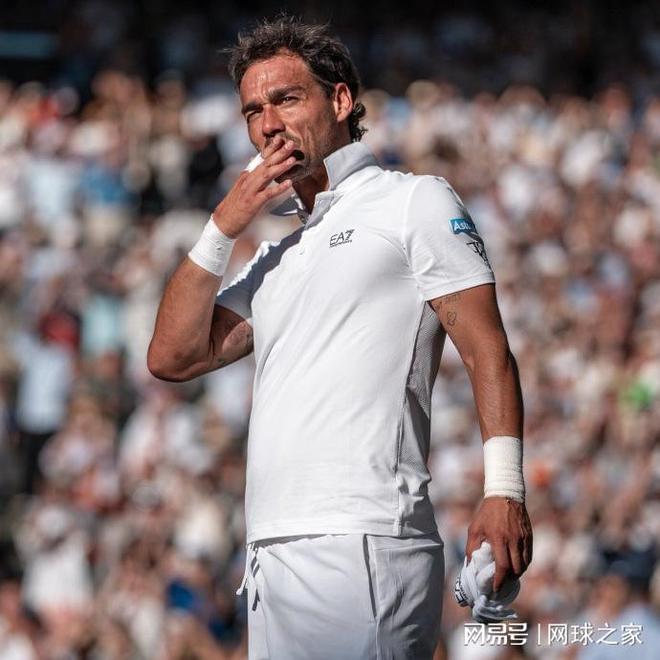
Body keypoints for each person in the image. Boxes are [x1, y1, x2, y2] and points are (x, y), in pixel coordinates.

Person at [148, 16, 533, 659]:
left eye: (285, 99)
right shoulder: (274, 257)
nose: (268, 124)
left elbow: (487, 349)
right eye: (253, 111)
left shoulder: (413, 201)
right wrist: (222, 225)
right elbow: (171, 356)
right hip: (270, 550)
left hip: (364, 537)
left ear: (341, 101)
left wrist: (505, 490)